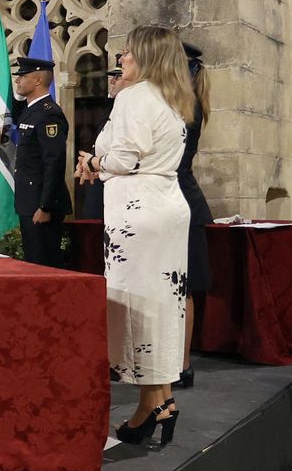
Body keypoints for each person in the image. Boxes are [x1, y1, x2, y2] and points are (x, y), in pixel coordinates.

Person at [76, 25, 193, 447]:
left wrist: (94, 161)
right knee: (159, 308)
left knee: (136, 307)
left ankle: (153, 405)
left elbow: (125, 158)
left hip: (138, 213)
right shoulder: (171, 97)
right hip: (166, 206)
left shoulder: (134, 96)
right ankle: (159, 403)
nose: (121, 59)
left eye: (126, 52)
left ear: (145, 56)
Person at [176, 43, 213, 389]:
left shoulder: (187, 107)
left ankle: (183, 363)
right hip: (180, 202)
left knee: (183, 288)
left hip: (183, 204)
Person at [12, 57, 72, 267]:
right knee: (33, 262)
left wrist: (44, 205)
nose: (17, 81)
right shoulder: (31, 111)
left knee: (43, 263)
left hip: (41, 202)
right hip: (29, 199)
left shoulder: (49, 114)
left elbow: (54, 162)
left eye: (23, 76)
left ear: (38, 80)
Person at [79, 65, 127, 221]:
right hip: (102, 186)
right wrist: (87, 163)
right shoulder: (112, 107)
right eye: (111, 77)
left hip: (122, 193)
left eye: (118, 76)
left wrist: (92, 162)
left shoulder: (132, 112)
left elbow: (126, 158)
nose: (112, 81)